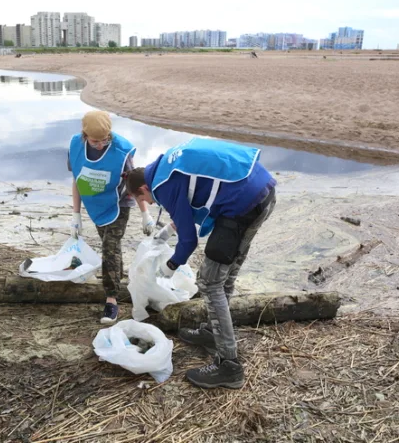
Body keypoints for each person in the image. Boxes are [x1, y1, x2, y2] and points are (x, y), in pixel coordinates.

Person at [125, 137, 276, 389]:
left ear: (143, 188)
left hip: (244, 203)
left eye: (144, 200)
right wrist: (166, 233)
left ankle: (229, 365)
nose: (149, 204)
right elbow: (187, 202)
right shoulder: (165, 167)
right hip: (261, 190)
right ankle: (211, 333)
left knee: (209, 282)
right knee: (224, 275)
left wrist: (170, 266)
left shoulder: (162, 185)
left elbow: (189, 241)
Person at [68, 111, 155, 325]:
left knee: (110, 246)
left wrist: (145, 214)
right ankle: (117, 280)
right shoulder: (76, 146)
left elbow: (135, 183)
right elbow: (77, 179)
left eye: (105, 140)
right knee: (111, 248)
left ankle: (111, 300)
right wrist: (76, 214)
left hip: (119, 204)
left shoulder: (121, 151)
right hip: (96, 204)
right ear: (85, 135)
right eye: (95, 141)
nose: (100, 145)